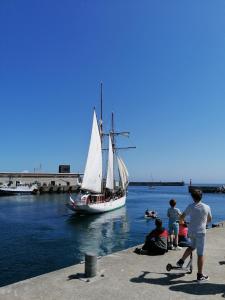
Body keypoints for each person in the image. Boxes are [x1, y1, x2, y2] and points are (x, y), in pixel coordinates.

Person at [176, 189, 212, 283]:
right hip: (200, 232)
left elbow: (181, 217)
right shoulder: (206, 207)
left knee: (192, 246)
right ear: (201, 196)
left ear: (192, 197)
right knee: (200, 254)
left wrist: (183, 223)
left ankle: (181, 261)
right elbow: (209, 219)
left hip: (191, 231)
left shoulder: (190, 206)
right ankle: (200, 276)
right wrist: (204, 223)